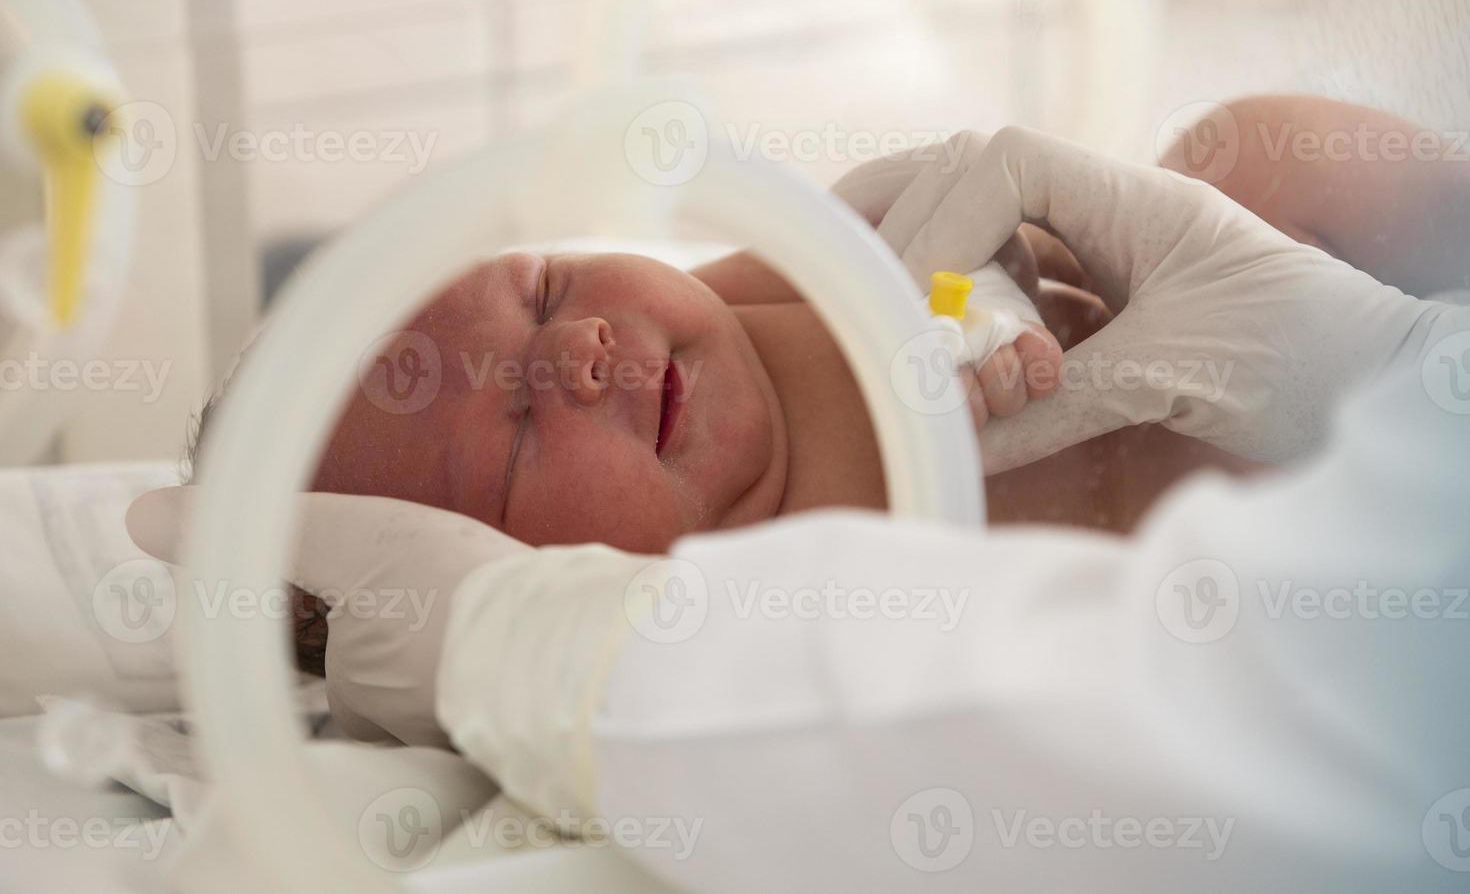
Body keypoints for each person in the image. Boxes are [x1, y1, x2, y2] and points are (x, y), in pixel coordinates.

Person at [132, 125, 1470, 889]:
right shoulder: (764, 621)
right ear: (482, 560)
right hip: (1289, 593)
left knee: (1259, 142)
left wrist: (1013, 290)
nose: (583, 353)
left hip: (1293, 399)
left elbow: (984, 253)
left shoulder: (769, 271)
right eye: (517, 438)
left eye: (541, 292)